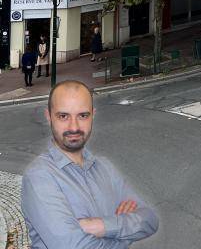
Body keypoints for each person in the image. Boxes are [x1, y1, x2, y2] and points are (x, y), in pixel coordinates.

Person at [21, 80, 159, 248]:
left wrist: (99, 225)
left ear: (93, 115)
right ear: (49, 117)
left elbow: (150, 219)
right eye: (63, 116)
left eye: (83, 115)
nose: (74, 127)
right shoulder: (39, 176)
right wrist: (124, 233)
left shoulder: (105, 167)